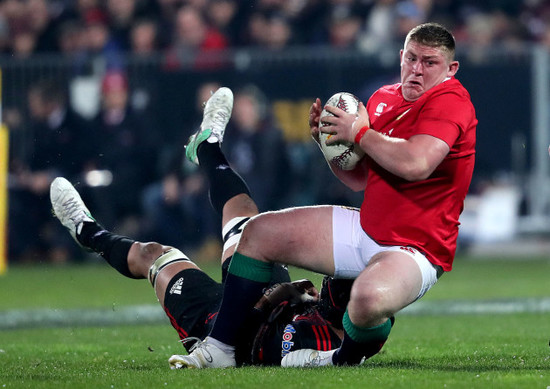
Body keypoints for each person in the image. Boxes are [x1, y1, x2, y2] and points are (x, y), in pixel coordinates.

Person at [176, 22, 477, 368]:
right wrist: (329, 143)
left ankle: (339, 359)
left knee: (366, 301)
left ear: (450, 69)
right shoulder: (383, 98)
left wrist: (359, 132)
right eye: (411, 58)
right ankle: (219, 349)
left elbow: (416, 163)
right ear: (400, 56)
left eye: (429, 62)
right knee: (258, 232)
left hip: (416, 249)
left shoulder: (451, 100)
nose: (417, 69)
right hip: (368, 229)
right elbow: (360, 179)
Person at [50, 87, 353, 367]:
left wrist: (281, 292)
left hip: (225, 327)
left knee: (153, 255)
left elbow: (250, 339)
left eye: (332, 289)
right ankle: (208, 146)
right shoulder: (345, 317)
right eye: (332, 282)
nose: (326, 288)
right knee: (250, 221)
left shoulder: (323, 350)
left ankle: (86, 231)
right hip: (272, 299)